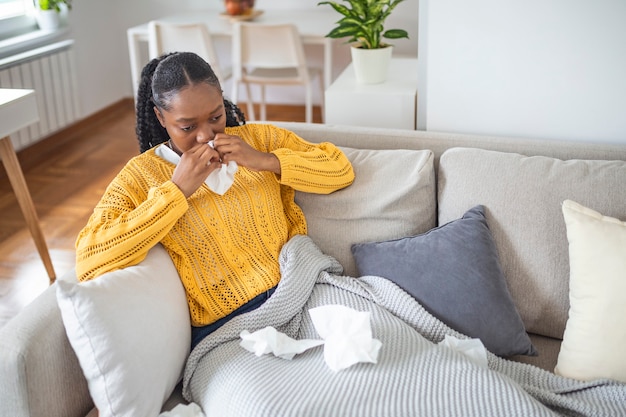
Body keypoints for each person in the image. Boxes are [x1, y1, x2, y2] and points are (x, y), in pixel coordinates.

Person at [75, 51, 355, 349]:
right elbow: (90, 259)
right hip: (230, 326)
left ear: (223, 100)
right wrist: (176, 192)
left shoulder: (258, 139)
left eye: (215, 117)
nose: (205, 135)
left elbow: (339, 170)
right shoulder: (141, 176)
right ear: (161, 117)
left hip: (303, 287)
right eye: (187, 127)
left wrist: (266, 160)